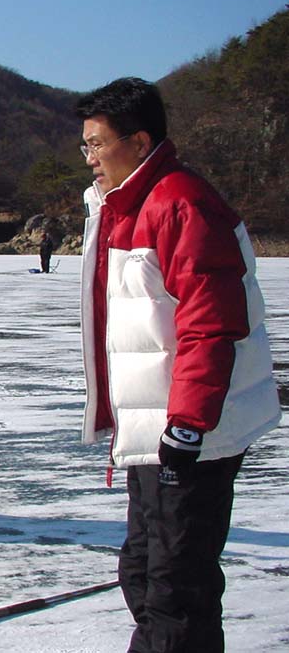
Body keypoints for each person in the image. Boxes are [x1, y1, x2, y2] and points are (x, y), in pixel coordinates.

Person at [75, 78, 281, 652]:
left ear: (139, 142)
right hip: (152, 426)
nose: (89, 158)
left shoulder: (180, 204)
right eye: (85, 146)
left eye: (97, 144)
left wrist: (188, 424)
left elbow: (210, 323)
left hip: (193, 432)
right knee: (144, 572)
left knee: (176, 588)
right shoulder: (125, 205)